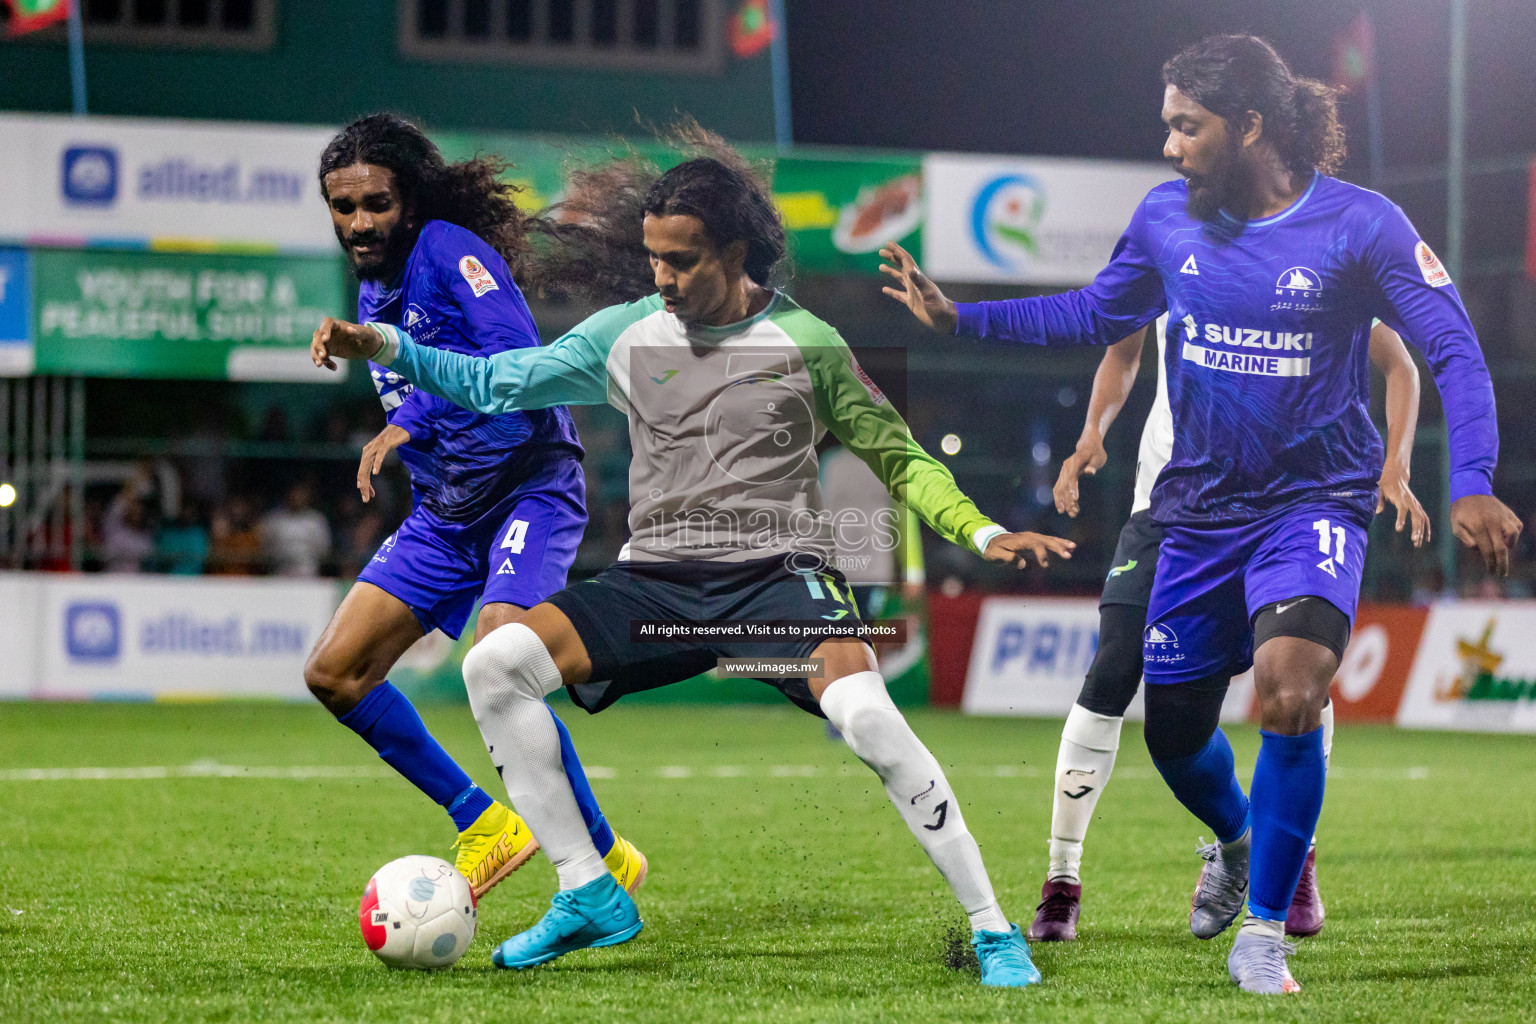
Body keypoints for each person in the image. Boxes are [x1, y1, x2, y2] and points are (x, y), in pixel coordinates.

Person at [312, 145, 1077, 988]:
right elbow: (499, 381)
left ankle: (990, 925)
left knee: (867, 719)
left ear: (736, 255)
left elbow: (899, 458)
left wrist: (978, 530)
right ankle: (588, 890)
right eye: (654, 259)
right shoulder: (625, 335)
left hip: (776, 583)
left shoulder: (807, 342)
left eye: (682, 260)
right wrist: (386, 342)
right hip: (658, 584)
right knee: (496, 665)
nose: (663, 278)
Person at [878, 34, 1522, 994]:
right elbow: (1099, 314)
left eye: (1188, 125)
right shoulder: (1165, 220)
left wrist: (1469, 474)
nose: (1170, 145)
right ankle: (1236, 840)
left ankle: (1262, 932)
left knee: (1292, 690)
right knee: (1175, 734)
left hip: (1315, 501)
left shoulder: (1363, 225)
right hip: (1198, 509)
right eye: (1167, 125)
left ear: (1252, 125)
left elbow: (1452, 350)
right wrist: (963, 321)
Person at [305, 114, 649, 901]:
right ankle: (484, 822)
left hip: (529, 481)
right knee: (336, 673)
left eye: (377, 204)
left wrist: (404, 421)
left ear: (412, 201)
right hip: (445, 512)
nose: (360, 223)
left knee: (498, 658)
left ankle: (598, 857)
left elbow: (512, 367)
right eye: (343, 206)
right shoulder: (373, 283)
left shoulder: (453, 253)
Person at [1024, 315, 1427, 944]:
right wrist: (1092, 432)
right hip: (1168, 507)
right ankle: (1063, 882)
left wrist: (1394, 464)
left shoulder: (1312, 246)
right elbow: (1123, 352)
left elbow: (1396, 358)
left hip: (1286, 509)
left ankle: (1296, 860)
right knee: (1115, 673)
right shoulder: (1165, 237)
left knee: (1297, 675)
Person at [260, 482, 332, 577]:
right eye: (294, 494)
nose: (297, 498)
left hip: (308, 573)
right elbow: (264, 547)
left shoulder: (316, 520)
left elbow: (324, 550)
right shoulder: (274, 519)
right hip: (279, 572)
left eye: (300, 495)